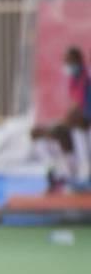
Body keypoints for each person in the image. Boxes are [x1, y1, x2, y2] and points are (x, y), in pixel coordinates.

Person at [30, 46, 91, 192]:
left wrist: (66, 122)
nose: (67, 65)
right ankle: (56, 173)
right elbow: (73, 108)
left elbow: (82, 111)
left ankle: (79, 175)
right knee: (37, 134)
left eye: (69, 61)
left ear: (78, 60)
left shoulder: (86, 80)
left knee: (73, 130)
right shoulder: (74, 80)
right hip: (77, 122)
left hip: (84, 125)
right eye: (65, 61)